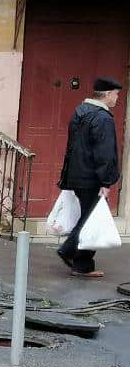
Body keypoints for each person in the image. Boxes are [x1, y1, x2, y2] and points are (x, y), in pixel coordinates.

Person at [58, 76, 122, 278]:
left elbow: (72, 147)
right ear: (107, 94)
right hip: (91, 177)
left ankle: (82, 264)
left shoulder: (80, 112)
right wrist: (106, 181)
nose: (117, 98)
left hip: (77, 174)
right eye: (116, 94)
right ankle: (70, 251)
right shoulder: (102, 118)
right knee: (90, 220)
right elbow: (104, 153)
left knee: (88, 217)